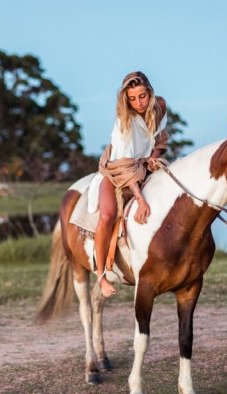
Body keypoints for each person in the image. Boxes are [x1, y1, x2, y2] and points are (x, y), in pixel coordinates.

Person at [88, 71, 169, 297]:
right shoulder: (124, 120)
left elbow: (162, 140)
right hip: (117, 170)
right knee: (107, 215)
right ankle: (102, 276)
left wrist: (153, 157)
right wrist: (140, 199)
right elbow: (124, 166)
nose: (138, 103)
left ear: (150, 93)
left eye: (142, 96)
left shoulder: (160, 106)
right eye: (132, 98)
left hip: (143, 166)